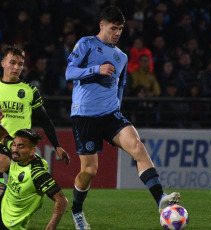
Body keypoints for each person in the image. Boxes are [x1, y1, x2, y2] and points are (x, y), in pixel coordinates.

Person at [65, 6, 180, 230]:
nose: (117, 33)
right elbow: (69, 72)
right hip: (85, 115)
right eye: (113, 28)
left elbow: (121, 86)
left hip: (111, 114)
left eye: (120, 29)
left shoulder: (122, 56)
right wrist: (96, 69)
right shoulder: (87, 43)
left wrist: (117, 106)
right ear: (102, 26)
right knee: (89, 171)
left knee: (137, 146)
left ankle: (160, 199)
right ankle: (77, 211)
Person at [0, 45, 70, 215]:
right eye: (12, 62)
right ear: (2, 63)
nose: (16, 67)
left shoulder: (30, 91)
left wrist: (57, 146)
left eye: (20, 64)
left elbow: (45, 121)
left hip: (15, 146)